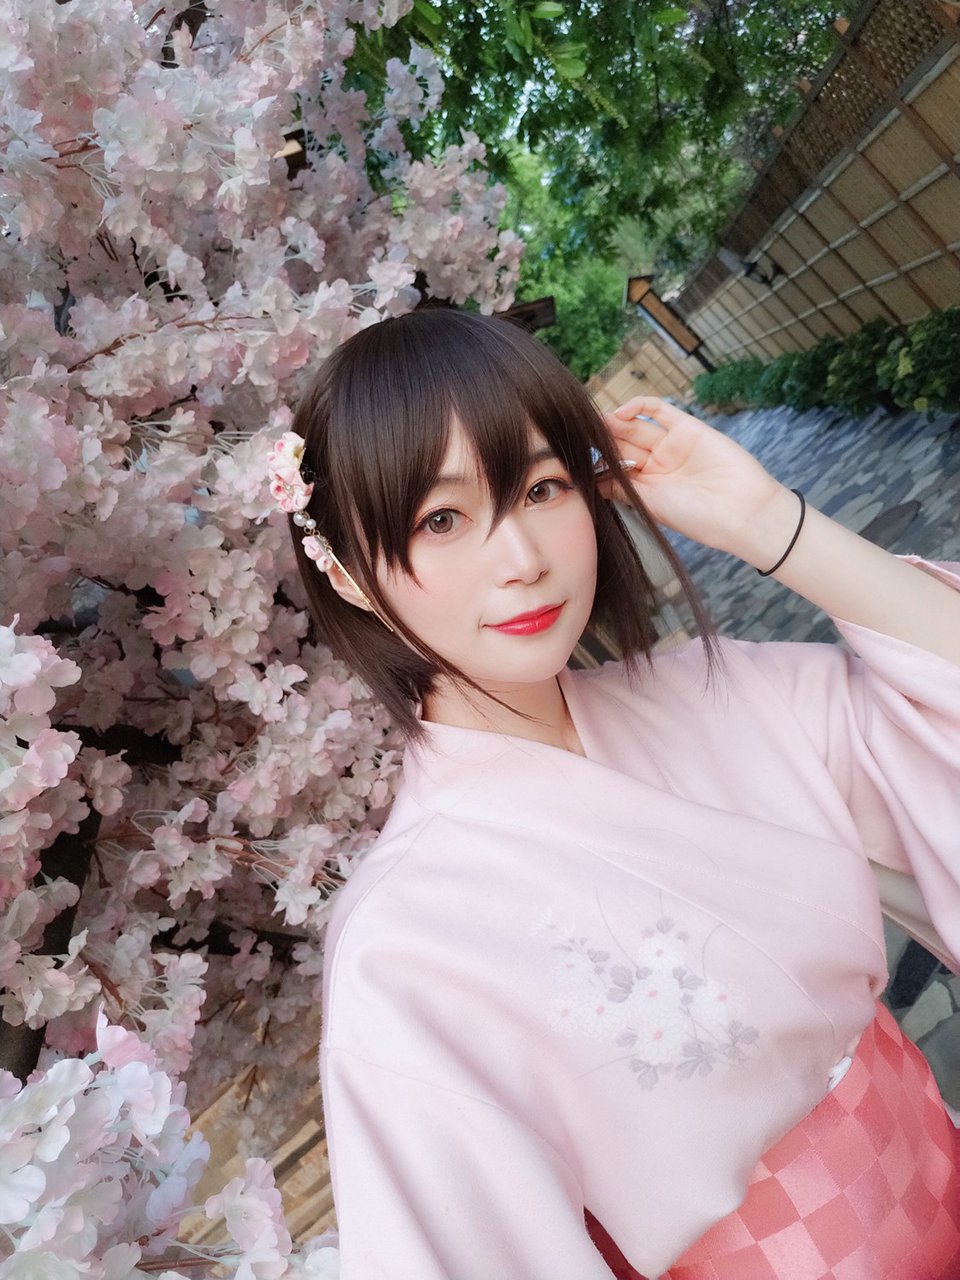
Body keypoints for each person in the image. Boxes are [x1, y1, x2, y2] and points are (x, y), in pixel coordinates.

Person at [268, 307, 960, 1280]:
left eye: (541, 487)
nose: (523, 558)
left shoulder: (718, 693)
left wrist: (769, 523)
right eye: (442, 519)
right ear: (346, 573)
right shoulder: (403, 949)